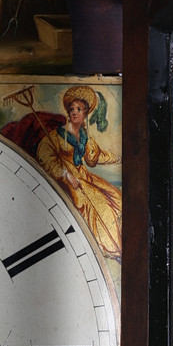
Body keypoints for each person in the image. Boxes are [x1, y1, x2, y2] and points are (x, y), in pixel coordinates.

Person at [35, 85, 122, 260]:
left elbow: (95, 158)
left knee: (114, 197)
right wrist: (65, 174)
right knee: (97, 204)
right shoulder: (55, 137)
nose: (74, 112)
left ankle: (118, 243)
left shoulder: (85, 138)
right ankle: (110, 249)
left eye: (79, 109)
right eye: (72, 109)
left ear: (85, 115)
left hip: (84, 177)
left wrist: (118, 159)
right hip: (66, 179)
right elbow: (45, 157)